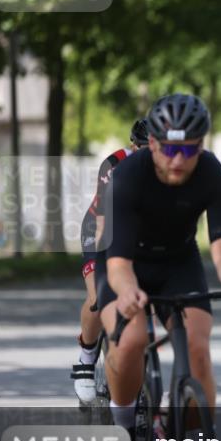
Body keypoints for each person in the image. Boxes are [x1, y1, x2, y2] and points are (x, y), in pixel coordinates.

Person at [96, 93, 221, 432]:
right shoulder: (127, 177)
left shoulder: (213, 175)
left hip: (178, 261)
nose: (177, 160)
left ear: (201, 146)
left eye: (188, 150)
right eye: (170, 149)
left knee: (198, 349)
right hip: (125, 263)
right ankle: (123, 426)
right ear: (153, 144)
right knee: (131, 340)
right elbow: (117, 264)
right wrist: (127, 292)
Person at [70, 119, 150, 404]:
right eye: (145, 149)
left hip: (138, 234)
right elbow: (105, 222)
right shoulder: (115, 164)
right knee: (98, 297)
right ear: (133, 146)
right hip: (100, 230)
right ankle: (86, 358)